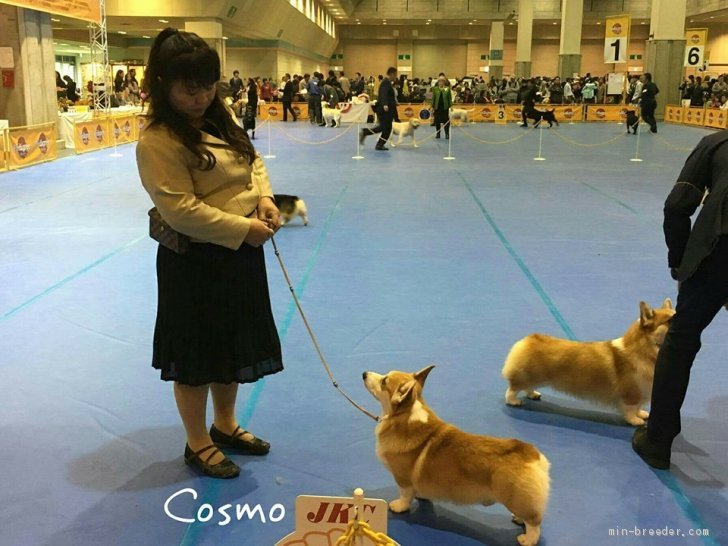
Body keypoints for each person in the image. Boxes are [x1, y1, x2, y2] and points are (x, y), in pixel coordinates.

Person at [135, 28, 283, 479]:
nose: (200, 95)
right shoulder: (158, 140)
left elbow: (252, 161)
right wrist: (245, 228)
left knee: (231, 347)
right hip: (195, 264)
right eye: (189, 86)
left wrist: (266, 198)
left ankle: (224, 425)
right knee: (197, 357)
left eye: (208, 84)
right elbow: (180, 210)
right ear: (163, 85)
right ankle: (197, 442)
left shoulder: (223, 118)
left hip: (240, 253)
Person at [632, 129, 728, 470]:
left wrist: (680, 259)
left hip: (716, 251)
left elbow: (677, 206)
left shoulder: (716, 143)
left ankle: (658, 441)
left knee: (681, 342)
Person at [359, 66, 397, 151]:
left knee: (387, 128)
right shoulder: (385, 83)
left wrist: (394, 102)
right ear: (391, 74)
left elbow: (388, 95)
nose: (395, 77)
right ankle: (365, 132)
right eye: (395, 75)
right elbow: (383, 94)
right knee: (383, 127)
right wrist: (385, 104)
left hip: (388, 110)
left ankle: (379, 145)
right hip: (384, 110)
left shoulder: (388, 83)